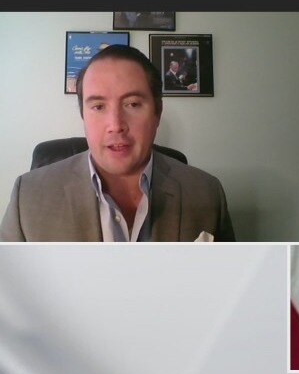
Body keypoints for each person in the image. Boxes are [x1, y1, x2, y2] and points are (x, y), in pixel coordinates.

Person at [1, 45, 235, 242]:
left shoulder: (206, 193)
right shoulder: (28, 197)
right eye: (98, 107)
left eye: (132, 104)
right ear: (83, 115)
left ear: (157, 113)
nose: (115, 125)